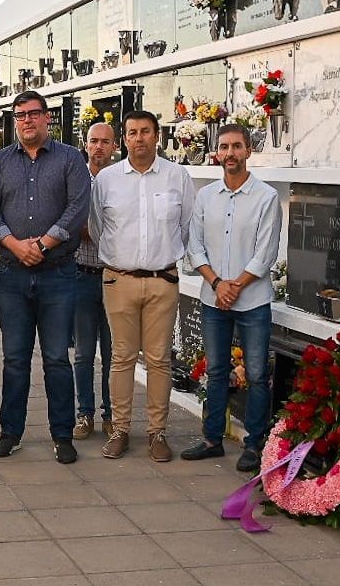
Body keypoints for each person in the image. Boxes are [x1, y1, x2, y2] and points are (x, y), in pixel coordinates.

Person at [0, 91, 91, 463]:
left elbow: (78, 208)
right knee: (14, 358)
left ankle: (62, 434)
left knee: (57, 358)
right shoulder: (0, 162)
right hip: (13, 274)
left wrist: (41, 245)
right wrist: (14, 244)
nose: (26, 120)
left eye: (33, 114)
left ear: (47, 118)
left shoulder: (71, 159)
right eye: (20, 115)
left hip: (58, 273)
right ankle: (11, 431)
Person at [91, 109, 197, 462]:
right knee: (121, 359)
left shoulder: (177, 177)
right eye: (132, 132)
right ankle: (120, 429)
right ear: (124, 139)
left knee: (159, 360)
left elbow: (186, 226)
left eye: (146, 132)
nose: (139, 138)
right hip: (119, 280)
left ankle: (157, 432)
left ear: (157, 136)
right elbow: (96, 227)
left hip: (162, 282)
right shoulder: (106, 180)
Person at [180, 124, 281, 473]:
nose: (230, 154)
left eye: (237, 146)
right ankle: (212, 439)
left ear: (249, 151)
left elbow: (265, 253)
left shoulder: (266, 197)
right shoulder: (206, 196)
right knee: (217, 369)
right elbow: (195, 246)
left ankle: (254, 444)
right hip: (214, 298)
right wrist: (216, 283)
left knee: (255, 374)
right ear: (216, 153)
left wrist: (233, 285)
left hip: (252, 299)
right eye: (224, 147)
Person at [73, 121, 118, 441]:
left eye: (105, 141)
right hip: (82, 276)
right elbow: (74, 224)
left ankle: (111, 415)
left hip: (115, 278)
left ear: (115, 146)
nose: (99, 147)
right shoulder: (76, 180)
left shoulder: (121, 181)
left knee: (115, 354)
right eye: (94, 141)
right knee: (84, 353)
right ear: (85, 144)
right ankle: (84, 414)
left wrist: (94, 230)